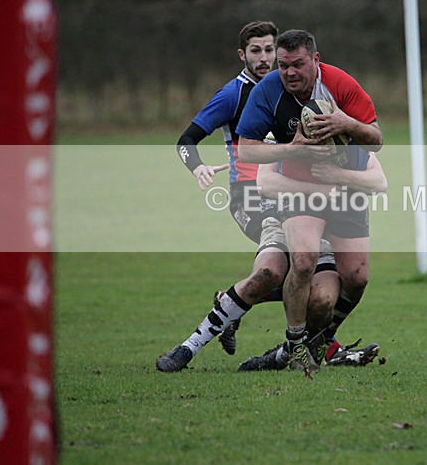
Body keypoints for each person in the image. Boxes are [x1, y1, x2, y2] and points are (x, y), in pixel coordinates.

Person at [156, 22, 381, 372]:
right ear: (242, 54)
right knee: (282, 269)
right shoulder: (244, 93)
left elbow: (376, 153)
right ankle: (243, 342)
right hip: (258, 193)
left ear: (314, 60)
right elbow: (195, 142)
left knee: (327, 283)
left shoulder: (336, 88)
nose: (273, 63)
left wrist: (345, 130)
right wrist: (196, 166)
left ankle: (282, 332)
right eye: (264, 54)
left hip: (322, 194)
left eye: (270, 51)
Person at [237, 29, 383, 375]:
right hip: (298, 187)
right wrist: (293, 149)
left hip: (344, 190)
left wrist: (345, 123)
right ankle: (296, 342)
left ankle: (319, 340)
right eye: (283, 65)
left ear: (315, 60)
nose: (289, 72)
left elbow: (376, 140)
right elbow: (246, 149)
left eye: (298, 64)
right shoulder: (268, 90)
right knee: (302, 261)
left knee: (357, 277)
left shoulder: (341, 84)